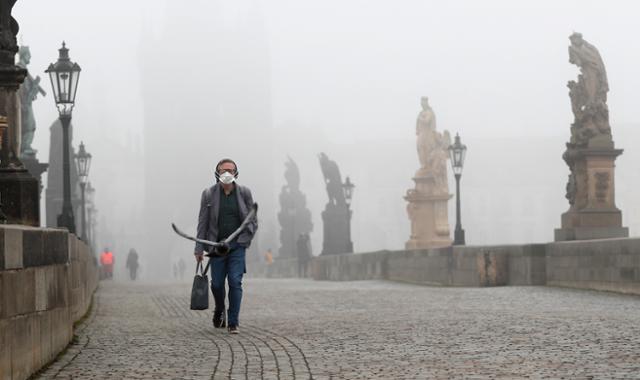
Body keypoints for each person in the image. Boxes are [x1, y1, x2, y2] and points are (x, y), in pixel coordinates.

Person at [194, 158, 257, 334]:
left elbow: (252, 218)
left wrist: (246, 237)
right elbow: (202, 223)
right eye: (223, 170)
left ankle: (233, 322)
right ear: (217, 173)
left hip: (237, 247)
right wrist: (199, 248)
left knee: (235, 282)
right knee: (217, 285)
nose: (227, 173)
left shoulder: (244, 193)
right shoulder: (208, 194)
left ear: (236, 173)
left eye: (230, 170)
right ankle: (220, 309)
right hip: (217, 247)